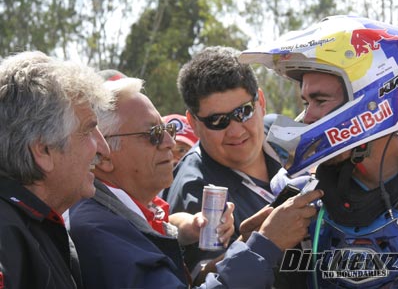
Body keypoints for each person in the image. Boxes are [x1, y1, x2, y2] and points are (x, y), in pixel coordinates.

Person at [239, 15, 398, 287]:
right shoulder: (299, 199)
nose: (306, 117)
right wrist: (253, 248)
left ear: (373, 100)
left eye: (319, 100)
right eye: (305, 101)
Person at [68, 75, 322, 288]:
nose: (169, 143)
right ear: (103, 154)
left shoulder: (122, 215)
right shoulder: (99, 230)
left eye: (167, 131)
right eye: (153, 134)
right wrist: (265, 245)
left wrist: (247, 242)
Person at [160, 46, 310, 287]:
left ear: (260, 102)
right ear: (194, 124)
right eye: (217, 121)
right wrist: (262, 243)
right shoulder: (197, 188)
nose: (235, 131)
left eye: (243, 112)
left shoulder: (282, 132)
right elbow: (201, 278)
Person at [0, 51, 112, 288]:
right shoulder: (7, 238)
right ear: (43, 151)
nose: (103, 148)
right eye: (88, 130)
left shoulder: (36, 221)